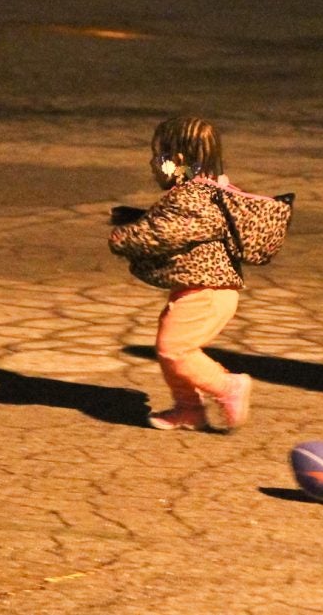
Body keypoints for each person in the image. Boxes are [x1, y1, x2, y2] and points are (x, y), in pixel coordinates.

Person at [108, 117, 256, 432]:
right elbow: (177, 222)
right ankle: (189, 409)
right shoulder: (205, 186)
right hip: (200, 289)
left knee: (174, 350)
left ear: (175, 161)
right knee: (170, 349)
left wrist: (126, 237)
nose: (151, 162)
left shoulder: (193, 197)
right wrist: (138, 216)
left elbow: (167, 231)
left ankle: (227, 386)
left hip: (207, 292)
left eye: (157, 156)